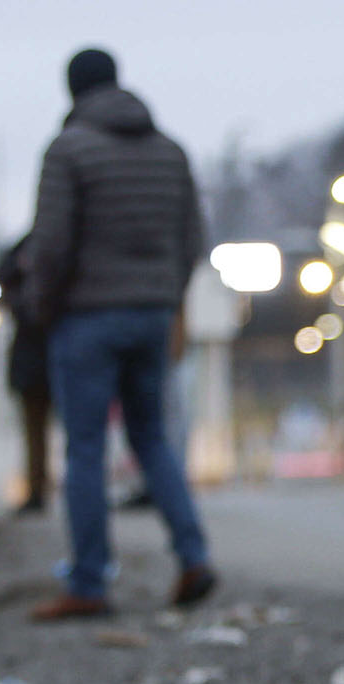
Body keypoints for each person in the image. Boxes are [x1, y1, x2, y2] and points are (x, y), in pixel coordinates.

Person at [23, 47, 216, 619]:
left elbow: (52, 243)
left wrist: (43, 306)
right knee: (152, 438)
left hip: (86, 315)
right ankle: (194, 557)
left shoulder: (68, 150)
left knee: (85, 450)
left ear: (71, 90)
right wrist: (166, 295)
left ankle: (88, 582)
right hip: (152, 312)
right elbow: (192, 237)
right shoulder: (170, 151)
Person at [0, 233, 52, 516]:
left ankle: (39, 489)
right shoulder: (30, 249)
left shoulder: (27, 256)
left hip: (48, 353)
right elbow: (2, 274)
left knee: (37, 431)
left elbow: (2, 275)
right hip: (45, 354)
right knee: (37, 430)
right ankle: (38, 487)